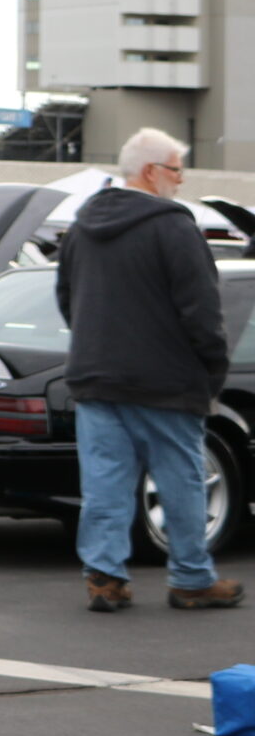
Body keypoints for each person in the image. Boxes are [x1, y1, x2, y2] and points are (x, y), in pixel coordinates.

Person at [60, 128, 242, 613]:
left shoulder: (82, 225)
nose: (180, 182)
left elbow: (66, 298)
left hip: (96, 377)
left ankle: (104, 578)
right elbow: (202, 311)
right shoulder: (173, 227)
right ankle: (190, 579)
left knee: (104, 484)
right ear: (150, 171)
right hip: (165, 381)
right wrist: (211, 372)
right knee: (181, 480)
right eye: (177, 170)